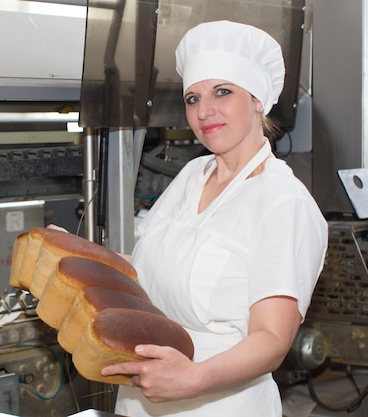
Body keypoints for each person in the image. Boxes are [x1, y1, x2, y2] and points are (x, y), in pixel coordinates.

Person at [99, 20, 329, 416]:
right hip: (142, 399)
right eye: (193, 98)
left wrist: (193, 378)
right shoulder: (192, 175)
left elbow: (272, 338)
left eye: (223, 92)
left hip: (220, 404)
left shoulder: (282, 201)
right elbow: (147, 271)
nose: (204, 111)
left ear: (258, 99)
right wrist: (80, 258)